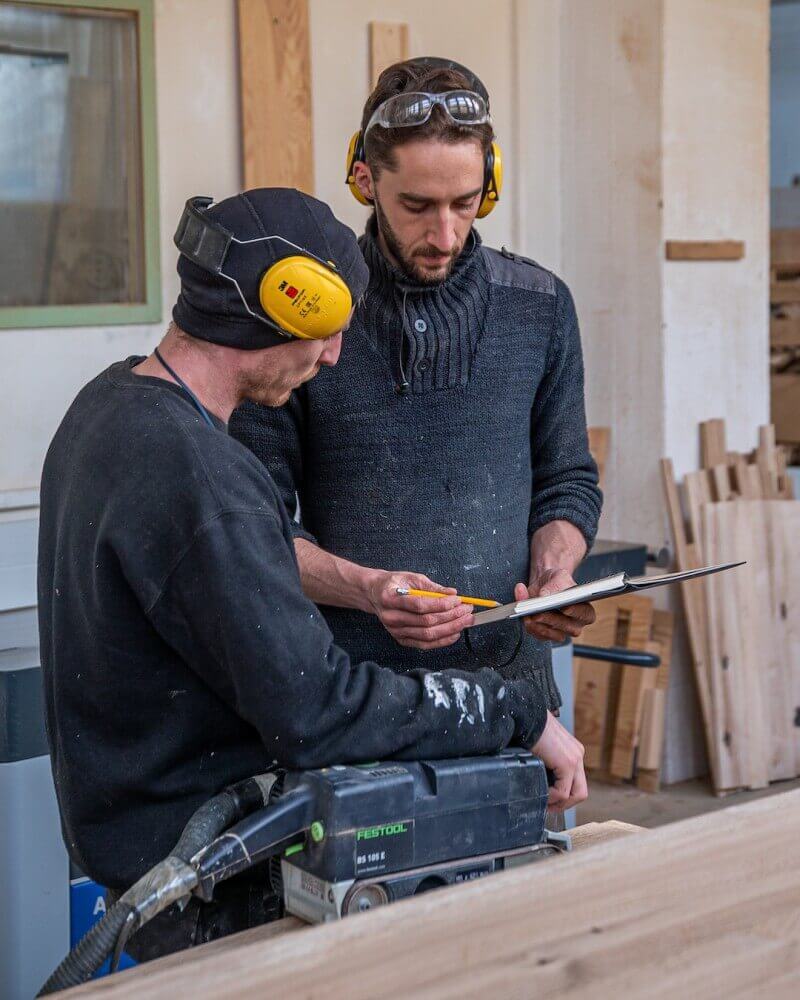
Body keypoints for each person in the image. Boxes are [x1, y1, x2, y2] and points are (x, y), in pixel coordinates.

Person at [37, 187, 587, 962]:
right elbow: (315, 708)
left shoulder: (107, 408)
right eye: (325, 334)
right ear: (276, 310)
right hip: (209, 880)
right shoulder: (201, 479)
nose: (331, 357)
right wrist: (514, 711)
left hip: (146, 850)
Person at [230, 59, 602, 723]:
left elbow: (567, 480)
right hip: (349, 702)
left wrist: (554, 573)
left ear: (490, 185)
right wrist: (369, 590)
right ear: (366, 180)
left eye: (464, 203)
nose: (445, 235)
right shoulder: (308, 321)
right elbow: (255, 530)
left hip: (515, 704)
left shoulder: (540, 307)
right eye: (418, 207)